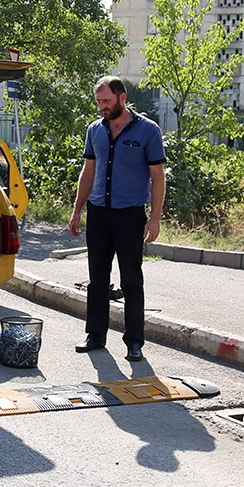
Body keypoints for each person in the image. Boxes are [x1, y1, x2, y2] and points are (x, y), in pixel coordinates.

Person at [68, 76, 166, 362]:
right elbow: (88, 172)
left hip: (130, 215)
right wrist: (77, 211)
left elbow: (157, 176)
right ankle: (95, 335)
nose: (102, 107)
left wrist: (155, 218)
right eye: (99, 101)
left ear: (122, 98)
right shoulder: (94, 130)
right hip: (98, 213)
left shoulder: (148, 130)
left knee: (131, 280)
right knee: (97, 279)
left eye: (106, 101)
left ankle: (134, 341)